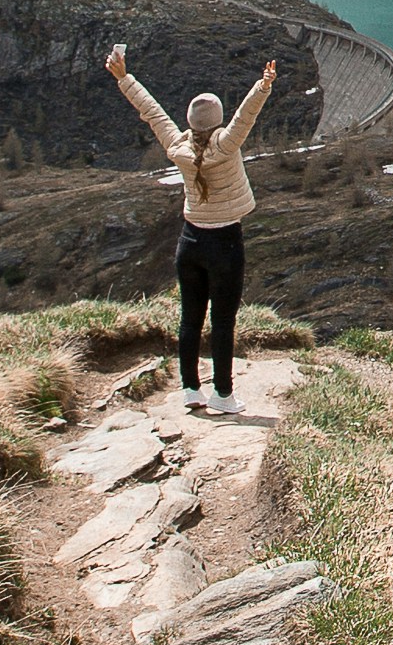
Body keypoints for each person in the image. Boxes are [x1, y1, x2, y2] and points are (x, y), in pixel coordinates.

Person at [109, 43, 279, 410]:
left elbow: (153, 113)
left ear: (190, 122)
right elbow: (245, 117)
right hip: (225, 244)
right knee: (222, 322)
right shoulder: (227, 145)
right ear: (217, 121)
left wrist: (125, 78)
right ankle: (223, 395)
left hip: (190, 243)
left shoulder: (178, 146)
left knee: (190, 318)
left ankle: (190, 389)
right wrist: (263, 85)